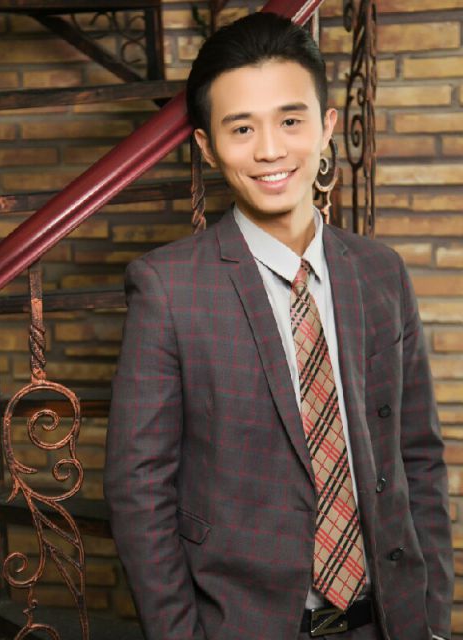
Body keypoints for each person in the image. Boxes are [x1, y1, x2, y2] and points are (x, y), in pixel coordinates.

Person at [104, 12, 453, 640]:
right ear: (207, 146)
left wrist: (431, 619)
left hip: (388, 622)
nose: (270, 150)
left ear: (326, 127)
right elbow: (139, 490)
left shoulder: (381, 272)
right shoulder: (168, 288)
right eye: (242, 128)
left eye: (291, 121)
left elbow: (418, 458)